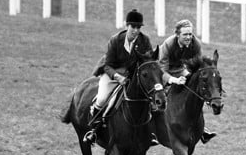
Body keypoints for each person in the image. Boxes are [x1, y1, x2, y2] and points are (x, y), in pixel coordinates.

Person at [84, 9, 155, 145]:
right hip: (113, 72)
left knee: (151, 97)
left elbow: (148, 61)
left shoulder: (144, 40)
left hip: (133, 75)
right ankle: (94, 130)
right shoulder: (115, 40)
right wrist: (117, 77)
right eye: (133, 27)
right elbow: (107, 65)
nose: (135, 30)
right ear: (126, 26)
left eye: (138, 27)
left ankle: (150, 133)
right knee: (103, 98)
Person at [158, 19, 216, 144]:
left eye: (190, 34)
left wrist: (190, 78)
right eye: (185, 34)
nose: (189, 37)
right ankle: (151, 129)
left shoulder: (196, 44)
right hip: (161, 70)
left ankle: (202, 130)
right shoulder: (168, 44)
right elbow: (162, 71)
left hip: (181, 69)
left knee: (195, 91)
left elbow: (197, 66)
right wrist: (174, 80)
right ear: (177, 35)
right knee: (157, 93)